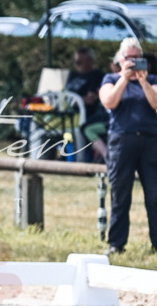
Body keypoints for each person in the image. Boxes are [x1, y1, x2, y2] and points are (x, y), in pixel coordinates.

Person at [98, 37, 157, 254]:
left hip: (150, 141)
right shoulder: (111, 79)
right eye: (129, 58)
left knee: (154, 195)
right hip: (121, 141)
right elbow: (109, 102)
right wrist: (124, 78)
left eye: (137, 58)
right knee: (120, 194)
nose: (133, 62)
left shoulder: (152, 80)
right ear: (120, 60)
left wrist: (143, 82)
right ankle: (116, 243)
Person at [65, 46, 108, 160]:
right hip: (67, 115)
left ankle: (104, 156)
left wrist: (77, 101)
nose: (77, 65)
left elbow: (91, 99)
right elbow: (64, 96)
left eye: (80, 62)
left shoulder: (97, 75)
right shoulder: (72, 75)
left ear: (90, 61)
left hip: (90, 116)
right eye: (76, 62)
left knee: (85, 129)